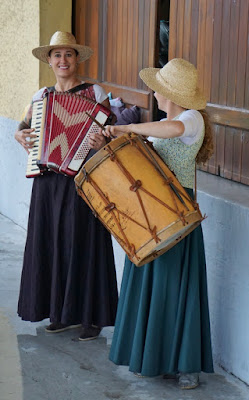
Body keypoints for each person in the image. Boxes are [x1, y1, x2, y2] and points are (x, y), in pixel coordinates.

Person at [103, 58, 214, 389]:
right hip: (152, 210)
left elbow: (172, 131)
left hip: (177, 211)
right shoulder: (164, 122)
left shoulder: (189, 119)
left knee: (177, 284)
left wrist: (128, 127)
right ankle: (154, 359)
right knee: (152, 281)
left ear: (168, 92)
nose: (152, 92)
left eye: (157, 87)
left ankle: (186, 366)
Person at [15, 31, 118, 341]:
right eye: (57, 55)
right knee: (51, 241)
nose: (63, 60)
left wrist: (102, 141)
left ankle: (90, 317)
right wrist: (20, 136)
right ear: (49, 61)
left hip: (84, 176)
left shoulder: (95, 92)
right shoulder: (39, 96)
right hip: (47, 179)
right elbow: (24, 128)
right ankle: (59, 313)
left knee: (84, 243)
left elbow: (108, 134)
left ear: (77, 60)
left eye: (69, 55)